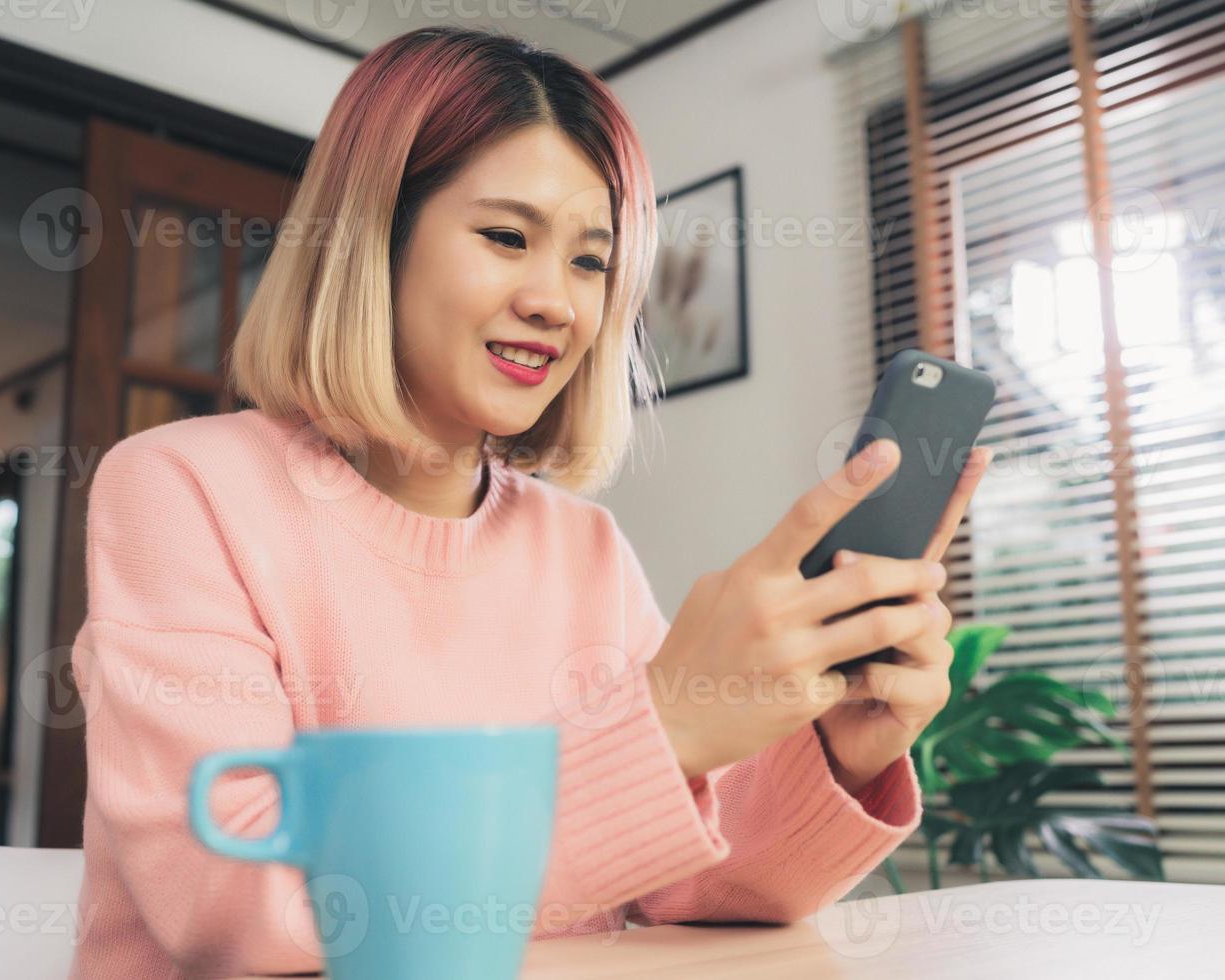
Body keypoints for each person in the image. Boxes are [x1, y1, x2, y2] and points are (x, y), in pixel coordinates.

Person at [67, 25, 991, 979]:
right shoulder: (180, 489)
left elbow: (691, 893)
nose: (558, 302)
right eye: (507, 237)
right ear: (370, 242)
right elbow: (241, 909)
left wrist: (839, 753)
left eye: (592, 261)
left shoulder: (579, 544)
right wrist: (665, 729)